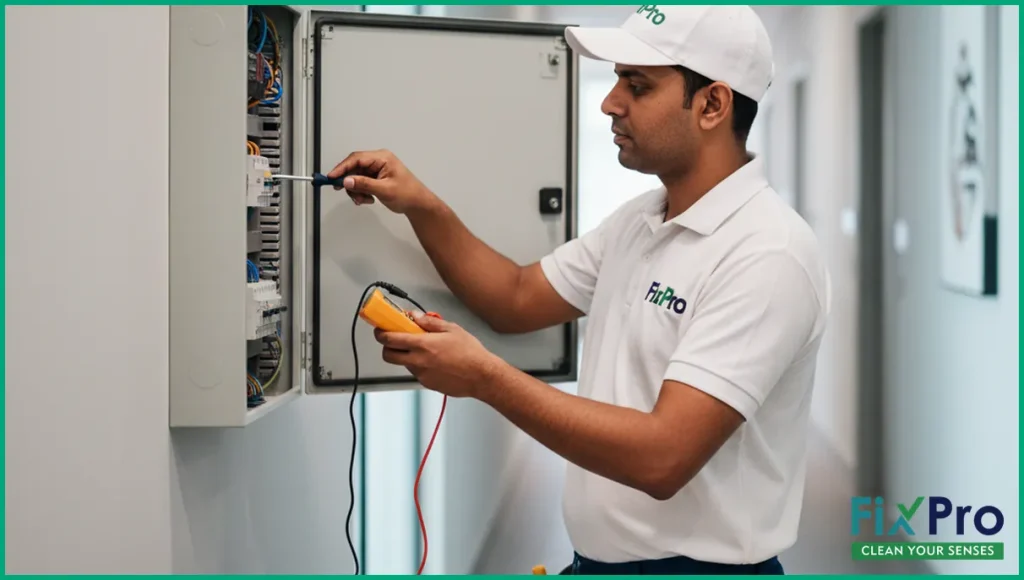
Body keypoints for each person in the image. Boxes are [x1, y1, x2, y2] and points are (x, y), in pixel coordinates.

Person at [327, 5, 830, 575]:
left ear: (713, 105)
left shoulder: (767, 254)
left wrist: (486, 379)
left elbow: (664, 457)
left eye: (636, 85)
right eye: (617, 79)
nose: (610, 102)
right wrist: (420, 203)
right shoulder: (642, 220)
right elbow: (515, 298)